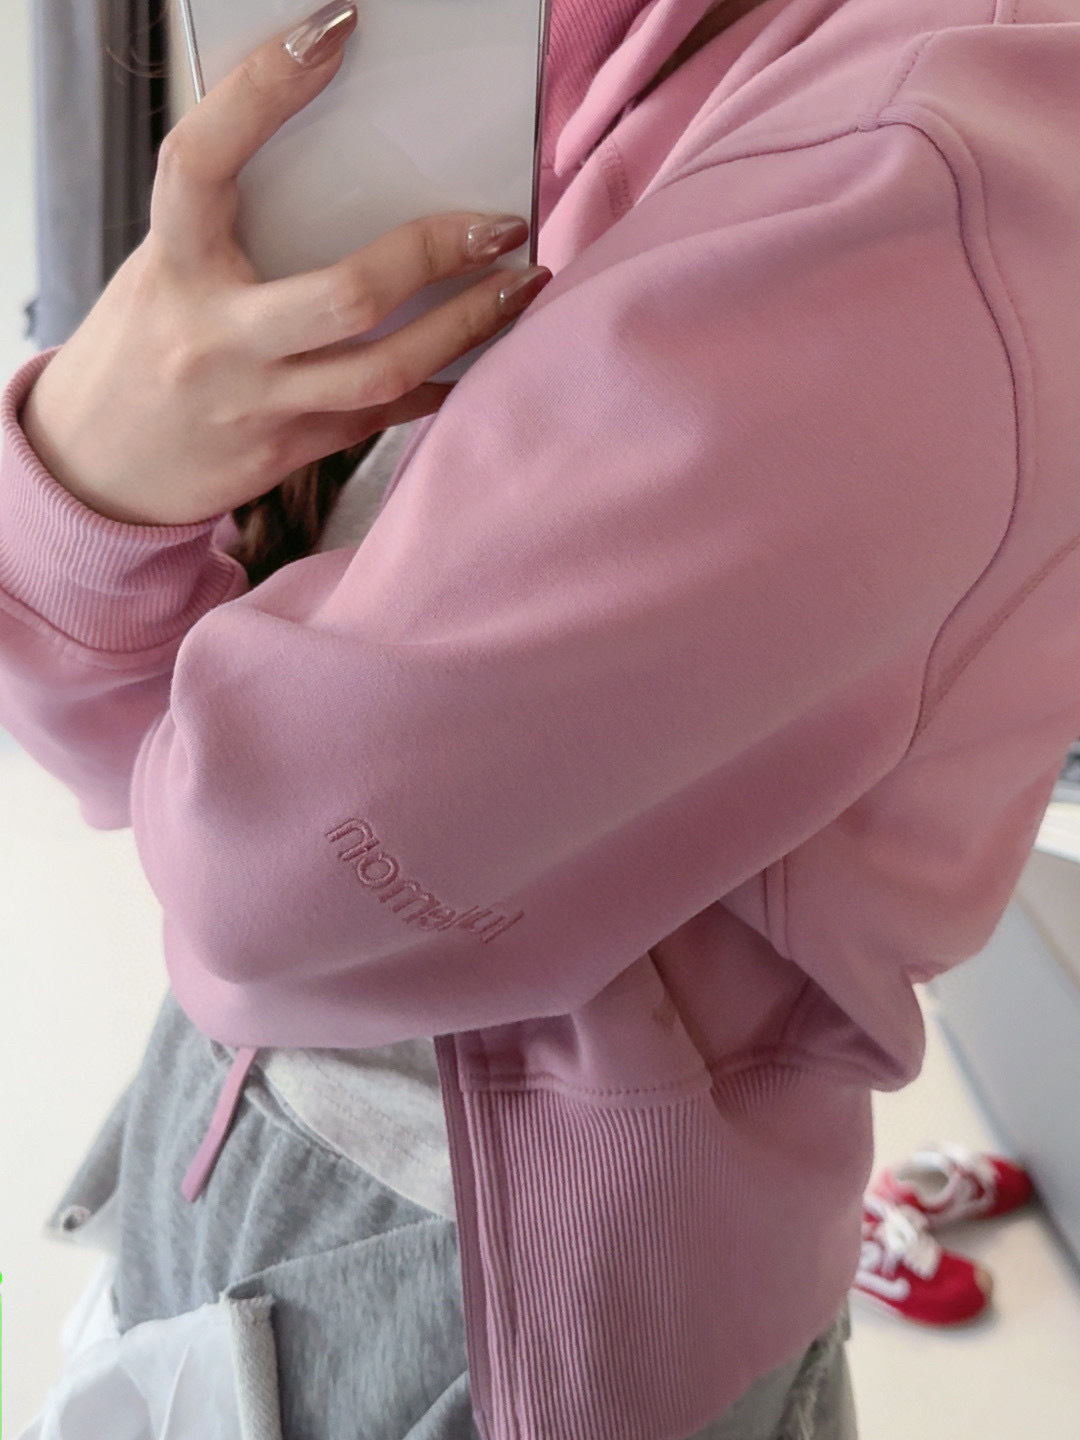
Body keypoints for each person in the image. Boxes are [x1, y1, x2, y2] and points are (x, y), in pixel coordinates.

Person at [3, 0, 1079, 1434]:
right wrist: (97, 482)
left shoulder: (929, 161)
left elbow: (260, 873)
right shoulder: (600, 49)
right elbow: (136, 765)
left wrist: (96, 510)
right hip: (249, 1127)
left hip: (503, 1293)